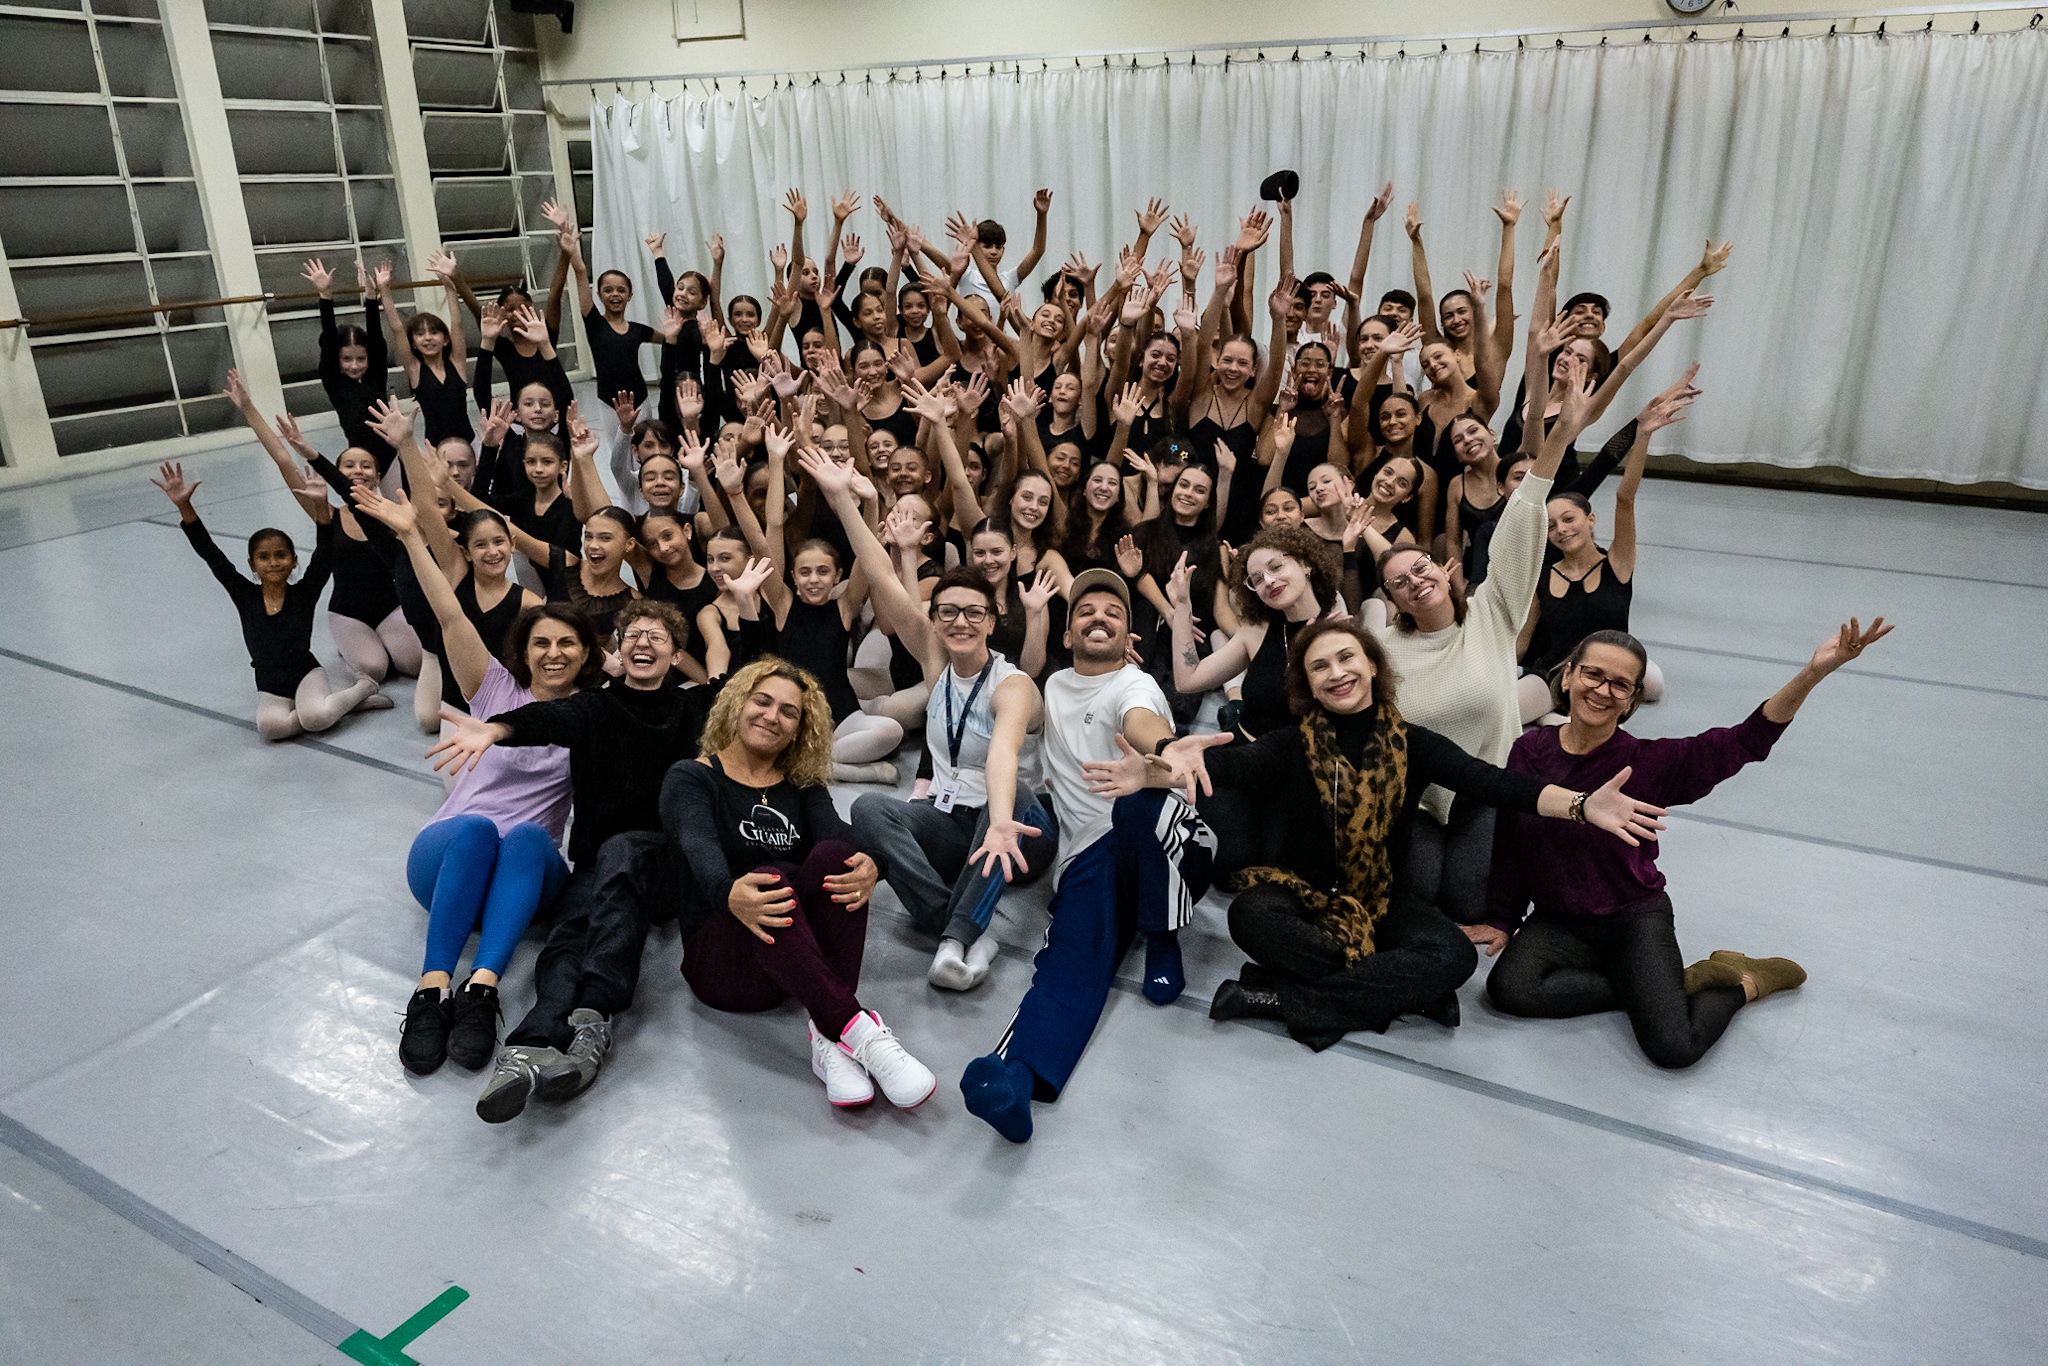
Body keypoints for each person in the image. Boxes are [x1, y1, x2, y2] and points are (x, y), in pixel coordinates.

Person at [1098, 620, 1661, 1049]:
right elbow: (1217, 769)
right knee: (1249, 916)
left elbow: (1497, 784)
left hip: (1381, 898)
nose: (1336, 672)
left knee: (1453, 956)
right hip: (1302, 893)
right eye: (1320, 667)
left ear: (1371, 666)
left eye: (1347, 658)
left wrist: (1583, 806)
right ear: (1309, 685)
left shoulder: (1415, 743)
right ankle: (1407, 989)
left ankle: (1277, 998)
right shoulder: (1290, 745)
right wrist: (1151, 769)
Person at [427, 584, 775, 1122]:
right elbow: (548, 720)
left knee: (620, 859)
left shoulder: (695, 707)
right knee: (570, 931)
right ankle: (532, 1041)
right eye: (632, 633)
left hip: (664, 866)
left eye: (656, 636)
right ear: (618, 647)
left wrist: (748, 609)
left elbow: (755, 674)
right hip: (601, 862)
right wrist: (497, 728)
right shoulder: (595, 708)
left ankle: (592, 1022)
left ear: (675, 654)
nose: (642, 642)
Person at [1477, 619, 1893, 1068]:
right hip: (1559, 920)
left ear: (1633, 700)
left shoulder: (1651, 763)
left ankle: (1741, 981)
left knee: (1674, 1047)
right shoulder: (1529, 751)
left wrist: (1813, 673)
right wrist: (1503, 916)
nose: (1602, 690)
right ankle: (1679, 983)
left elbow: (1746, 740)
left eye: (1621, 685)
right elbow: (1512, 839)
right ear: (1569, 675)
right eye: (1593, 674)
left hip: (1631, 917)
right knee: (1508, 990)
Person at [957, 570, 1226, 1144]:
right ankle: (1017, 1076)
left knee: (1137, 807)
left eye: (1112, 611)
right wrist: (1002, 816)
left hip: (1172, 845)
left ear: (1129, 636)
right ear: (1067, 634)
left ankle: (1163, 936)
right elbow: (1005, 746)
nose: (1098, 616)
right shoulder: (1051, 689)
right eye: (1085, 611)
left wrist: (1160, 753)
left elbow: (1142, 724)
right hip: (1090, 858)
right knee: (1069, 955)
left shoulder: (1136, 685)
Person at [350, 487, 597, 1077]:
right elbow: (450, 616)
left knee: (529, 839)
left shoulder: (592, 714)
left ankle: (482, 990)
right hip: (447, 859)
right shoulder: (494, 692)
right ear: (525, 650)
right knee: (480, 828)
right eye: (542, 642)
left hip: (524, 876)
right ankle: (433, 986)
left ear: (587, 654)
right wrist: (413, 535)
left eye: (568, 643)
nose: (554, 653)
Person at [809, 453, 1058, 992]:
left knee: (1007, 806)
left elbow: (1003, 755)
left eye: (973, 612)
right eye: (947, 611)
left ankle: (952, 942)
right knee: (872, 808)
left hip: (1019, 825)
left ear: (992, 620)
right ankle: (959, 922)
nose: (959, 621)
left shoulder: (1013, 685)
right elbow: (878, 571)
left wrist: (996, 817)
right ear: (936, 619)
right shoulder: (935, 660)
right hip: (952, 820)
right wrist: (842, 501)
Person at [662, 658, 938, 1111]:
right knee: (768, 879)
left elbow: (838, 840)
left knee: (838, 859)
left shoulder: (801, 785)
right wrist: (730, 892)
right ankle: (860, 1031)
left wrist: (875, 863)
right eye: (762, 701)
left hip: (793, 970)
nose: (773, 716)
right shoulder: (692, 777)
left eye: (789, 712)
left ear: (799, 730)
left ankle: (830, 1036)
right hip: (723, 966)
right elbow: (700, 854)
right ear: (736, 706)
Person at [151, 461, 387, 739]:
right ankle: (339, 705)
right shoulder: (244, 594)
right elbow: (210, 553)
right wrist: (184, 507)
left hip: (305, 675)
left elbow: (324, 554)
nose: (273, 562)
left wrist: (322, 507)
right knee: (270, 729)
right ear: (252, 564)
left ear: (293, 560)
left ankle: (362, 689)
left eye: (281, 555)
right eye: (264, 557)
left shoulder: (304, 592)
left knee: (316, 719)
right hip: (270, 683)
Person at [1516, 373, 1700, 721]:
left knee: (1654, 684)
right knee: (1510, 711)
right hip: (1559, 673)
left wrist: (1642, 433)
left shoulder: (1616, 563)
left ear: (1590, 519)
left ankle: (1556, 718)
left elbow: (1625, 496)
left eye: (1569, 519)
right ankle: (1553, 715)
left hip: (1610, 669)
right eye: (1551, 525)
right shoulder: (1542, 575)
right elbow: (1521, 642)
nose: (1560, 529)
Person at [375, 253, 472, 445]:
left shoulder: (457, 362)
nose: (427, 338)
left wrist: (449, 285)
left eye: (434, 332)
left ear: (445, 339)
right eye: (420, 334)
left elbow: (457, 324)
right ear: (413, 343)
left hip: (466, 444)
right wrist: (384, 291)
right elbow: (397, 329)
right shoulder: (415, 369)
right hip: (435, 447)